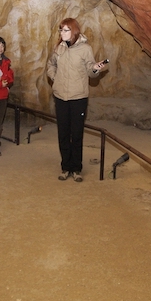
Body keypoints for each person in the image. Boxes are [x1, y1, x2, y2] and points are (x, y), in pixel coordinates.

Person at [46, 18, 107, 182]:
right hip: (60, 97)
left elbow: (90, 70)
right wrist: (55, 77)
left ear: (73, 31)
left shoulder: (85, 49)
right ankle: (66, 167)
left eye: (65, 30)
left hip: (78, 98)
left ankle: (77, 168)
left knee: (77, 134)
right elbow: (50, 65)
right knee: (63, 134)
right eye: (61, 30)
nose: (62, 33)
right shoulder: (58, 48)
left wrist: (95, 69)